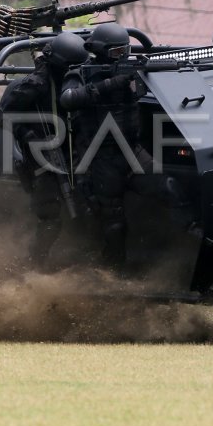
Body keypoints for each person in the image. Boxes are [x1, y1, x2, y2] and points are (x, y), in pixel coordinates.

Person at [58, 22, 155, 269]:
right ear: (100, 51)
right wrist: (111, 83)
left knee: (169, 188)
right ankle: (114, 276)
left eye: (126, 51)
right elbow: (68, 99)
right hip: (100, 156)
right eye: (116, 53)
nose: (122, 57)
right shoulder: (81, 73)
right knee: (113, 222)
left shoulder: (133, 69)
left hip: (132, 150)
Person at [0, 32, 90, 263]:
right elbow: (5, 114)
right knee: (51, 216)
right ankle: (35, 264)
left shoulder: (70, 83)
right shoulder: (36, 85)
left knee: (85, 205)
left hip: (71, 152)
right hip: (41, 159)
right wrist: (29, 136)